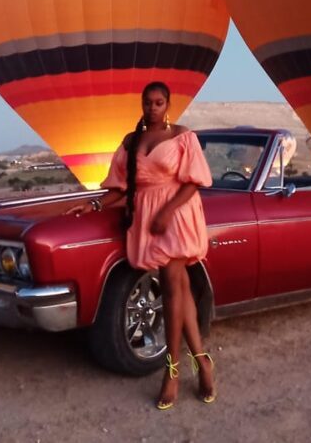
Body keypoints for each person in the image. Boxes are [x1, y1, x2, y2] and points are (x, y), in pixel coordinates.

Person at [66, 82, 215, 410]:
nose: (153, 108)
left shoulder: (182, 136)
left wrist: (166, 212)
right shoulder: (130, 142)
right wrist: (93, 206)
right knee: (179, 291)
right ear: (142, 104)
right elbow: (120, 188)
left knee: (174, 291)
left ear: (168, 104)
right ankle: (202, 361)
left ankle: (172, 371)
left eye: (159, 102)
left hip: (175, 214)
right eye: (148, 102)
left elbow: (194, 182)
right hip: (145, 217)